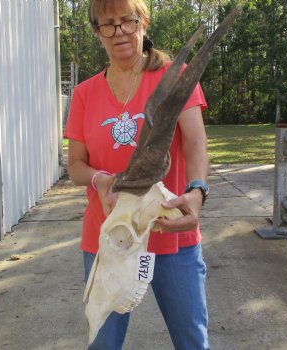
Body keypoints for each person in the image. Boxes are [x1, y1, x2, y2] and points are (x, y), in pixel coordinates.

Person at [64, 0, 210, 349]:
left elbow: (195, 143)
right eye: (107, 24)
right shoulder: (84, 93)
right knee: (103, 342)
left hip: (170, 234)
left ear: (143, 22)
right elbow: (75, 165)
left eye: (127, 21)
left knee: (192, 340)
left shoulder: (175, 76)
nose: (119, 32)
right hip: (112, 236)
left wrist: (198, 190)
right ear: (97, 32)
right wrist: (100, 179)